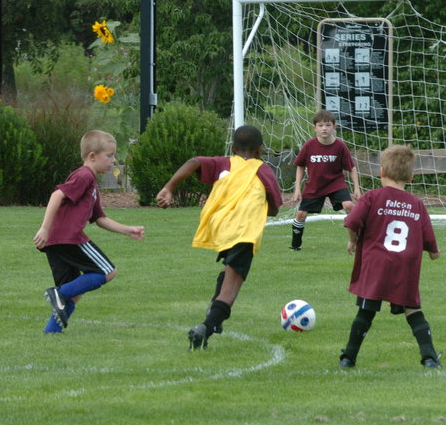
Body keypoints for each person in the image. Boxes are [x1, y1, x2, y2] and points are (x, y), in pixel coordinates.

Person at [156, 125, 282, 350]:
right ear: (260, 150)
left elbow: (194, 161)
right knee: (231, 288)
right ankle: (207, 326)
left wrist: (169, 187)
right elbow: (274, 210)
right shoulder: (263, 171)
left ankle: (213, 308)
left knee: (228, 269)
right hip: (244, 232)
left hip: (221, 227)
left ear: (233, 148)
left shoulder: (224, 164)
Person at [339, 145, 440, 368]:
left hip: (376, 263)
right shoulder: (417, 204)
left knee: (366, 311)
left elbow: (351, 222)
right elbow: (429, 240)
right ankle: (429, 357)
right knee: (413, 310)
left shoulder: (371, 197)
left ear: (382, 172)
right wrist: (434, 252)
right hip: (405, 266)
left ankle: (348, 357)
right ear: (411, 177)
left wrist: (353, 240)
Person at [33, 130, 144, 333]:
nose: (113, 160)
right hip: (69, 238)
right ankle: (58, 294)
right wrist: (44, 228)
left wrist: (127, 230)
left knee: (74, 294)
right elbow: (57, 195)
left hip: (56, 242)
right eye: (109, 155)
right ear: (92, 156)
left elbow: (100, 219)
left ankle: (51, 332)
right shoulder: (84, 175)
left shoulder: (91, 182)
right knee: (107, 272)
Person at [291, 110, 360, 250]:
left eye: (328, 125)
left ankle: (358, 240)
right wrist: (297, 189)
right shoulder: (309, 145)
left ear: (334, 127)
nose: (324, 128)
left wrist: (357, 188)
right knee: (301, 214)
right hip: (314, 185)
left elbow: (351, 168)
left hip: (336, 184)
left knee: (349, 206)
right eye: (321, 125)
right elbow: (300, 166)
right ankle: (295, 245)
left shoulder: (340, 146)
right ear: (314, 128)